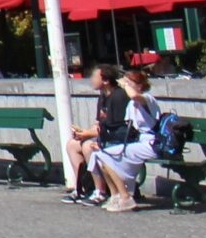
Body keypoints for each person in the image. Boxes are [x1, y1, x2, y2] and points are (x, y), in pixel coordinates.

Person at [84, 69, 163, 212]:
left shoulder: (147, 98)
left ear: (139, 85)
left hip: (152, 143)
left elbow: (135, 96)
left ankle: (126, 197)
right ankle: (116, 195)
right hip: (138, 141)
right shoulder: (131, 104)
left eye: (130, 83)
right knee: (100, 155)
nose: (126, 86)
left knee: (107, 156)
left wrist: (125, 84)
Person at [64, 66, 130, 203]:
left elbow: (115, 127)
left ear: (105, 80)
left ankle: (100, 192)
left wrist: (87, 134)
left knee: (88, 146)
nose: (92, 80)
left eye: (95, 77)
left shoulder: (118, 97)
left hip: (118, 138)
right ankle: (81, 187)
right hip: (105, 135)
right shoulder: (103, 96)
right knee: (72, 145)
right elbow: (99, 123)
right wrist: (83, 132)